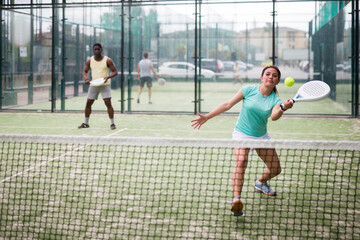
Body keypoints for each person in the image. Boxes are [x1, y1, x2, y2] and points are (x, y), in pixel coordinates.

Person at [191, 65, 293, 216]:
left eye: (274, 76)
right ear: (262, 77)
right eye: (268, 74)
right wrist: (207, 116)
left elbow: (274, 117)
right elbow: (227, 104)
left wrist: (283, 108)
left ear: (277, 81)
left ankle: (260, 183)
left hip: (261, 137)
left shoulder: (276, 100)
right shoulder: (248, 90)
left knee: (276, 169)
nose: (271, 77)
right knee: (241, 161)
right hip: (241, 134)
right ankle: (236, 200)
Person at [78, 43, 118, 130]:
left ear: (101, 50)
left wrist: (108, 77)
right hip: (93, 85)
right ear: (93, 50)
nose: (96, 51)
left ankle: (112, 123)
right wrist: (86, 79)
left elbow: (115, 72)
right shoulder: (90, 60)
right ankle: (86, 123)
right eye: (95, 49)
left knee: (108, 103)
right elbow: (85, 71)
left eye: (98, 49)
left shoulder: (108, 60)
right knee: (88, 103)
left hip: (105, 84)